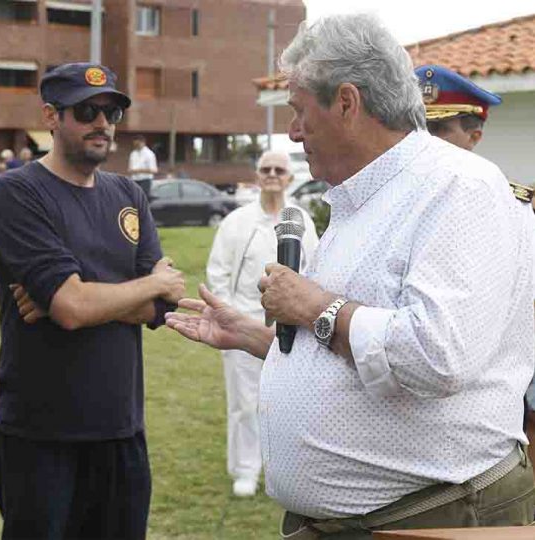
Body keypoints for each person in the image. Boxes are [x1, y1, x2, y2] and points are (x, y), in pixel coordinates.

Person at [165, 13, 535, 539]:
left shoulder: (457, 187)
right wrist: (256, 339)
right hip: (367, 521)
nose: (292, 133)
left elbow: (437, 355)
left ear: (346, 102)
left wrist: (315, 305)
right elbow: (355, 345)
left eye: (298, 112)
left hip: (434, 518)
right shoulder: (365, 194)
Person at [0, 62, 185, 539]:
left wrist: (80, 296)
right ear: (51, 117)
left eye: (111, 111)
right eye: (87, 110)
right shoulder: (18, 191)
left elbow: (165, 304)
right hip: (41, 435)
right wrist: (142, 287)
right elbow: (74, 308)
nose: (103, 122)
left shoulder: (128, 194)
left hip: (121, 430)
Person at [417, 64, 535, 474]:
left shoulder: (512, 208)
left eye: (440, 130)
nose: (426, 143)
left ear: (474, 136)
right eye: (419, 130)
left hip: (487, 416)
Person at [206, 149, 318, 497]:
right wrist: (230, 316)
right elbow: (218, 273)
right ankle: (245, 470)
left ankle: (282, 469)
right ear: (257, 176)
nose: (272, 174)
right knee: (244, 402)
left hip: (291, 327)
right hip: (242, 322)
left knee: (288, 401)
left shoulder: (299, 220)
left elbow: (314, 268)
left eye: (279, 170)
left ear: (288, 178)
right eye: (265, 169)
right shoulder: (236, 222)